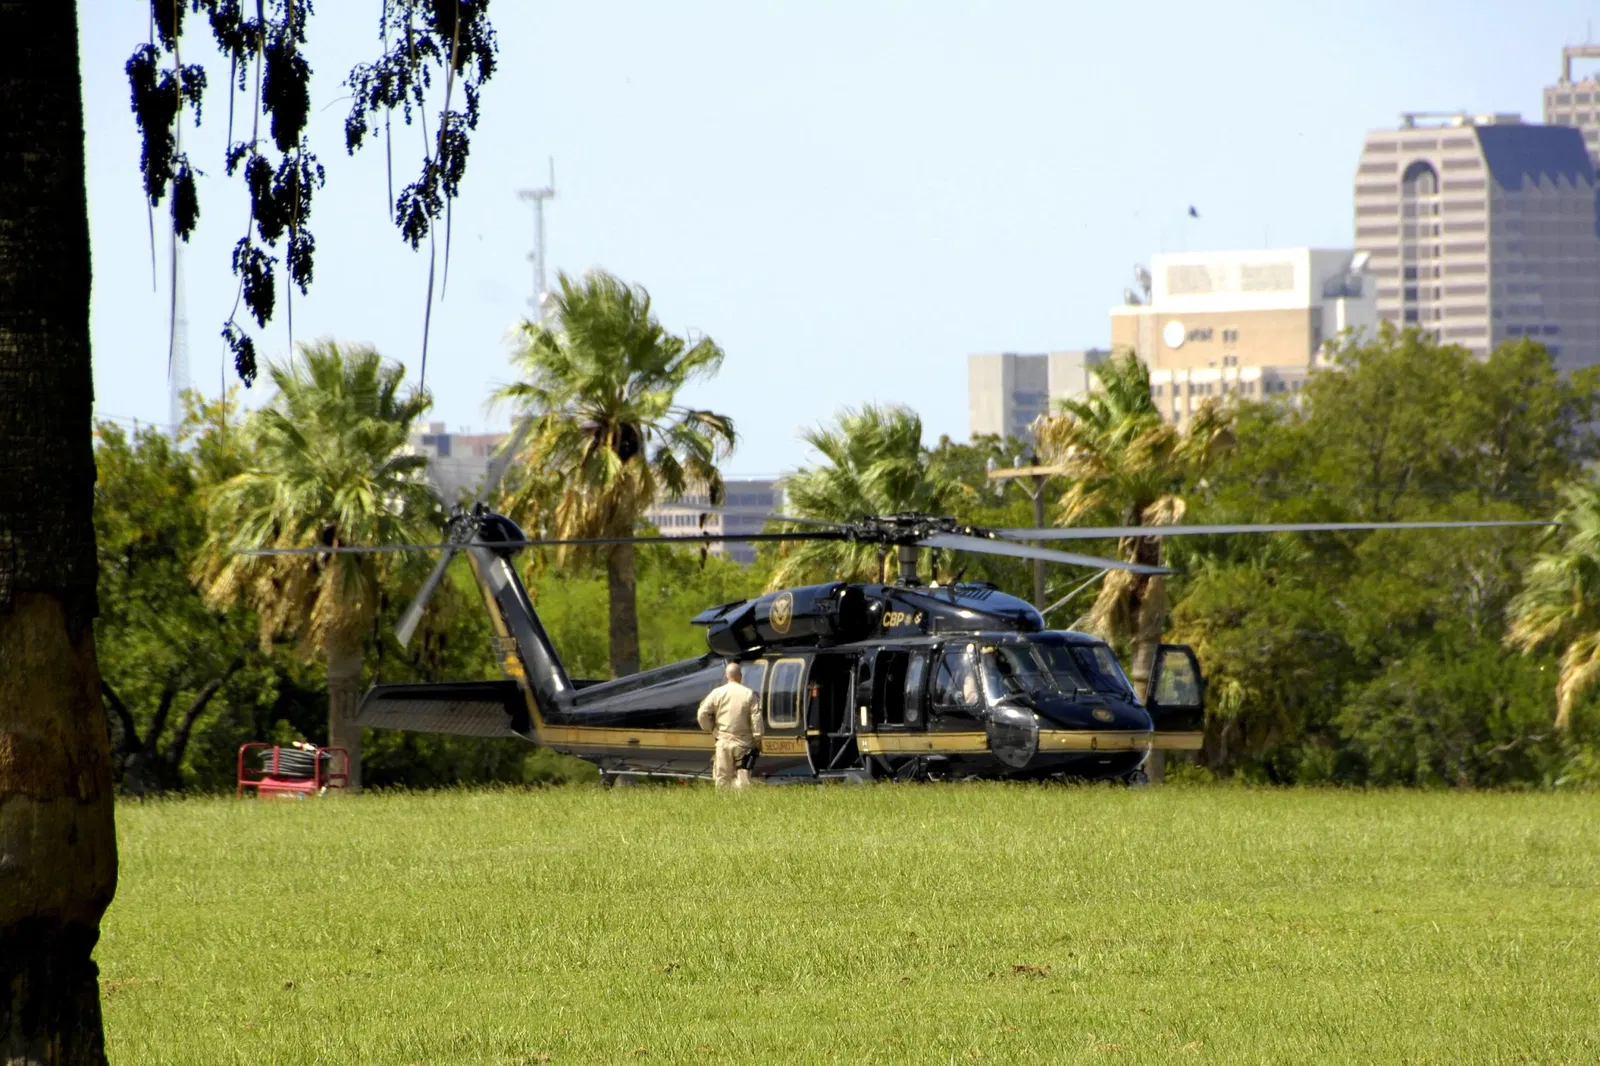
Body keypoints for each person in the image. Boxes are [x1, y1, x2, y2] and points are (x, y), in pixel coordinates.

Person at [696, 661, 763, 790]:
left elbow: (702, 712)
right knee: (743, 778)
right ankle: (742, 801)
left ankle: (722, 801)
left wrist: (709, 728)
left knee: (722, 778)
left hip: (723, 742)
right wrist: (757, 737)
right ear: (740, 676)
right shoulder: (749, 694)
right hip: (744, 743)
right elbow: (756, 717)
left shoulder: (717, 693)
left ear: (726, 676)